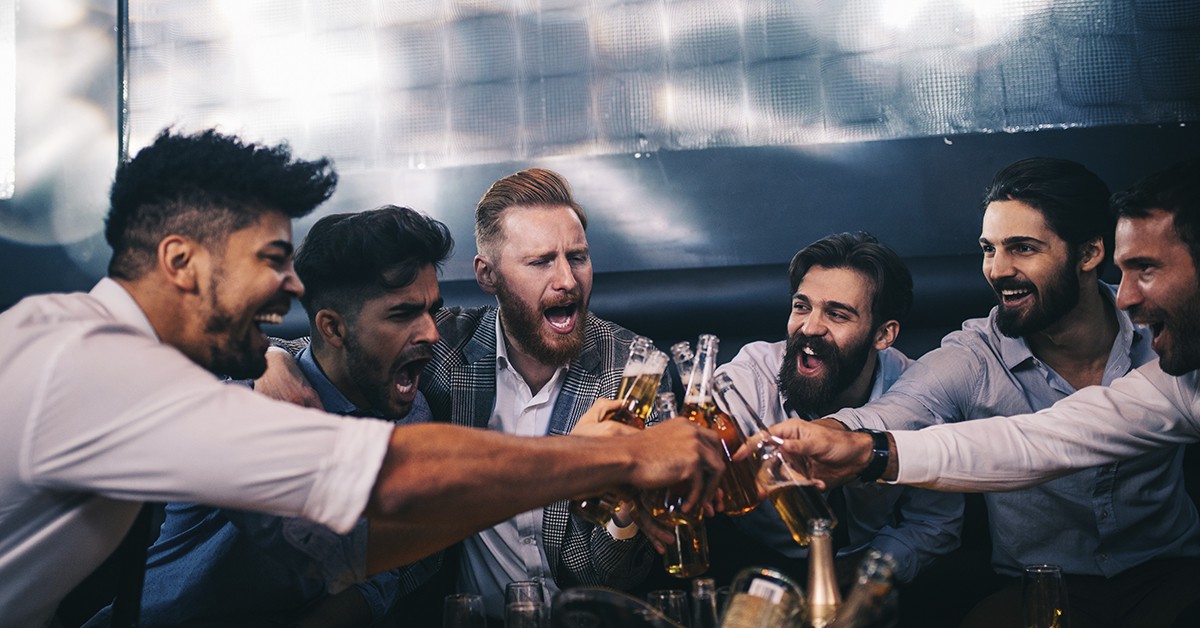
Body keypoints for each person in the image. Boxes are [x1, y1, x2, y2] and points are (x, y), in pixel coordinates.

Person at [0, 129, 725, 628]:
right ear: (181, 262)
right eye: (272, 260)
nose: (293, 287)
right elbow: (388, 477)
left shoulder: (120, 360)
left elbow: (344, 553)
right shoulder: (96, 367)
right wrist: (617, 455)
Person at [774, 158, 1200, 628]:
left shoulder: (1169, 339)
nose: (997, 270)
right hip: (1035, 586)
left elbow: (1052, 439)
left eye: (1022, 248)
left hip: (1172, 576)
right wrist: (834, 434)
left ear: (1088, 253)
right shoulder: (972, 356)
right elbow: (905, 408)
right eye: (988, 249)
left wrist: (863, 450)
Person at [262, 168, 671, 619]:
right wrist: (272, 359)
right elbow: (336, 347)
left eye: (577, 257)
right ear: (487, 275)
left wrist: (624, 513)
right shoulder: (442, 346)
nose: (567, 280)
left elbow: (615, 576)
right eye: (540, 262)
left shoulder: (633, 370)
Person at [85, 205, 454, 627]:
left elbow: (378, 574)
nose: (432, 333)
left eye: (432, 310)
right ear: (333, 329)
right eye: (403, 314)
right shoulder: (237, 409)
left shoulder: (410, 415)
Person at [715, 232, 962, 585]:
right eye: (802, 307)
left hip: (874, 572)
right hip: (758, 566)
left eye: (837, 314)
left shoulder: (920, 394)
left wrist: (865, 574)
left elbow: (934, 523)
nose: (809, 328)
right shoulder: (744, 383)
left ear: (883, 335)